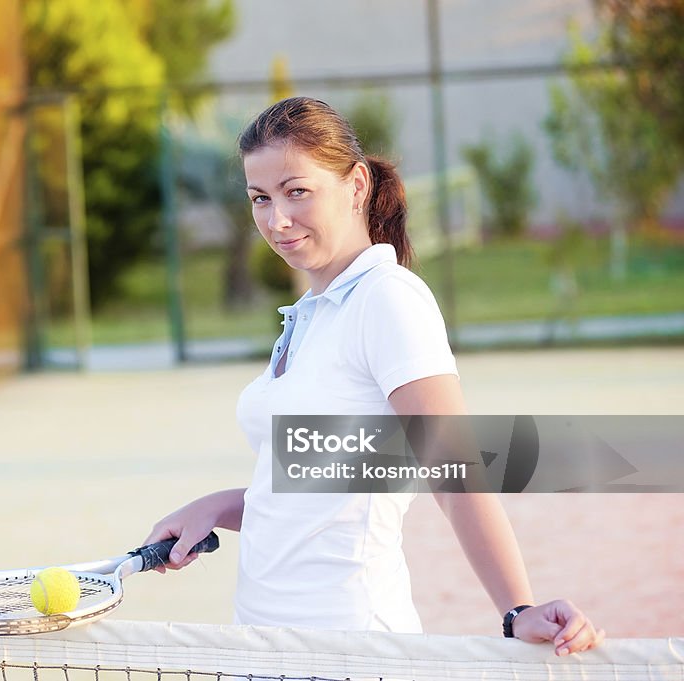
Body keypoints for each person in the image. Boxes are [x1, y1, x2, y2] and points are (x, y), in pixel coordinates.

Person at [144, 96, 604, 656]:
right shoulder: (310, 315)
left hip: (351, 648)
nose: (276, 219)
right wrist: (214, 507)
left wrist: (517, 609)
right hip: (263, 642)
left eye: (297, 191)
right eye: (260, 198)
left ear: (357, 185)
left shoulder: (388, 300)